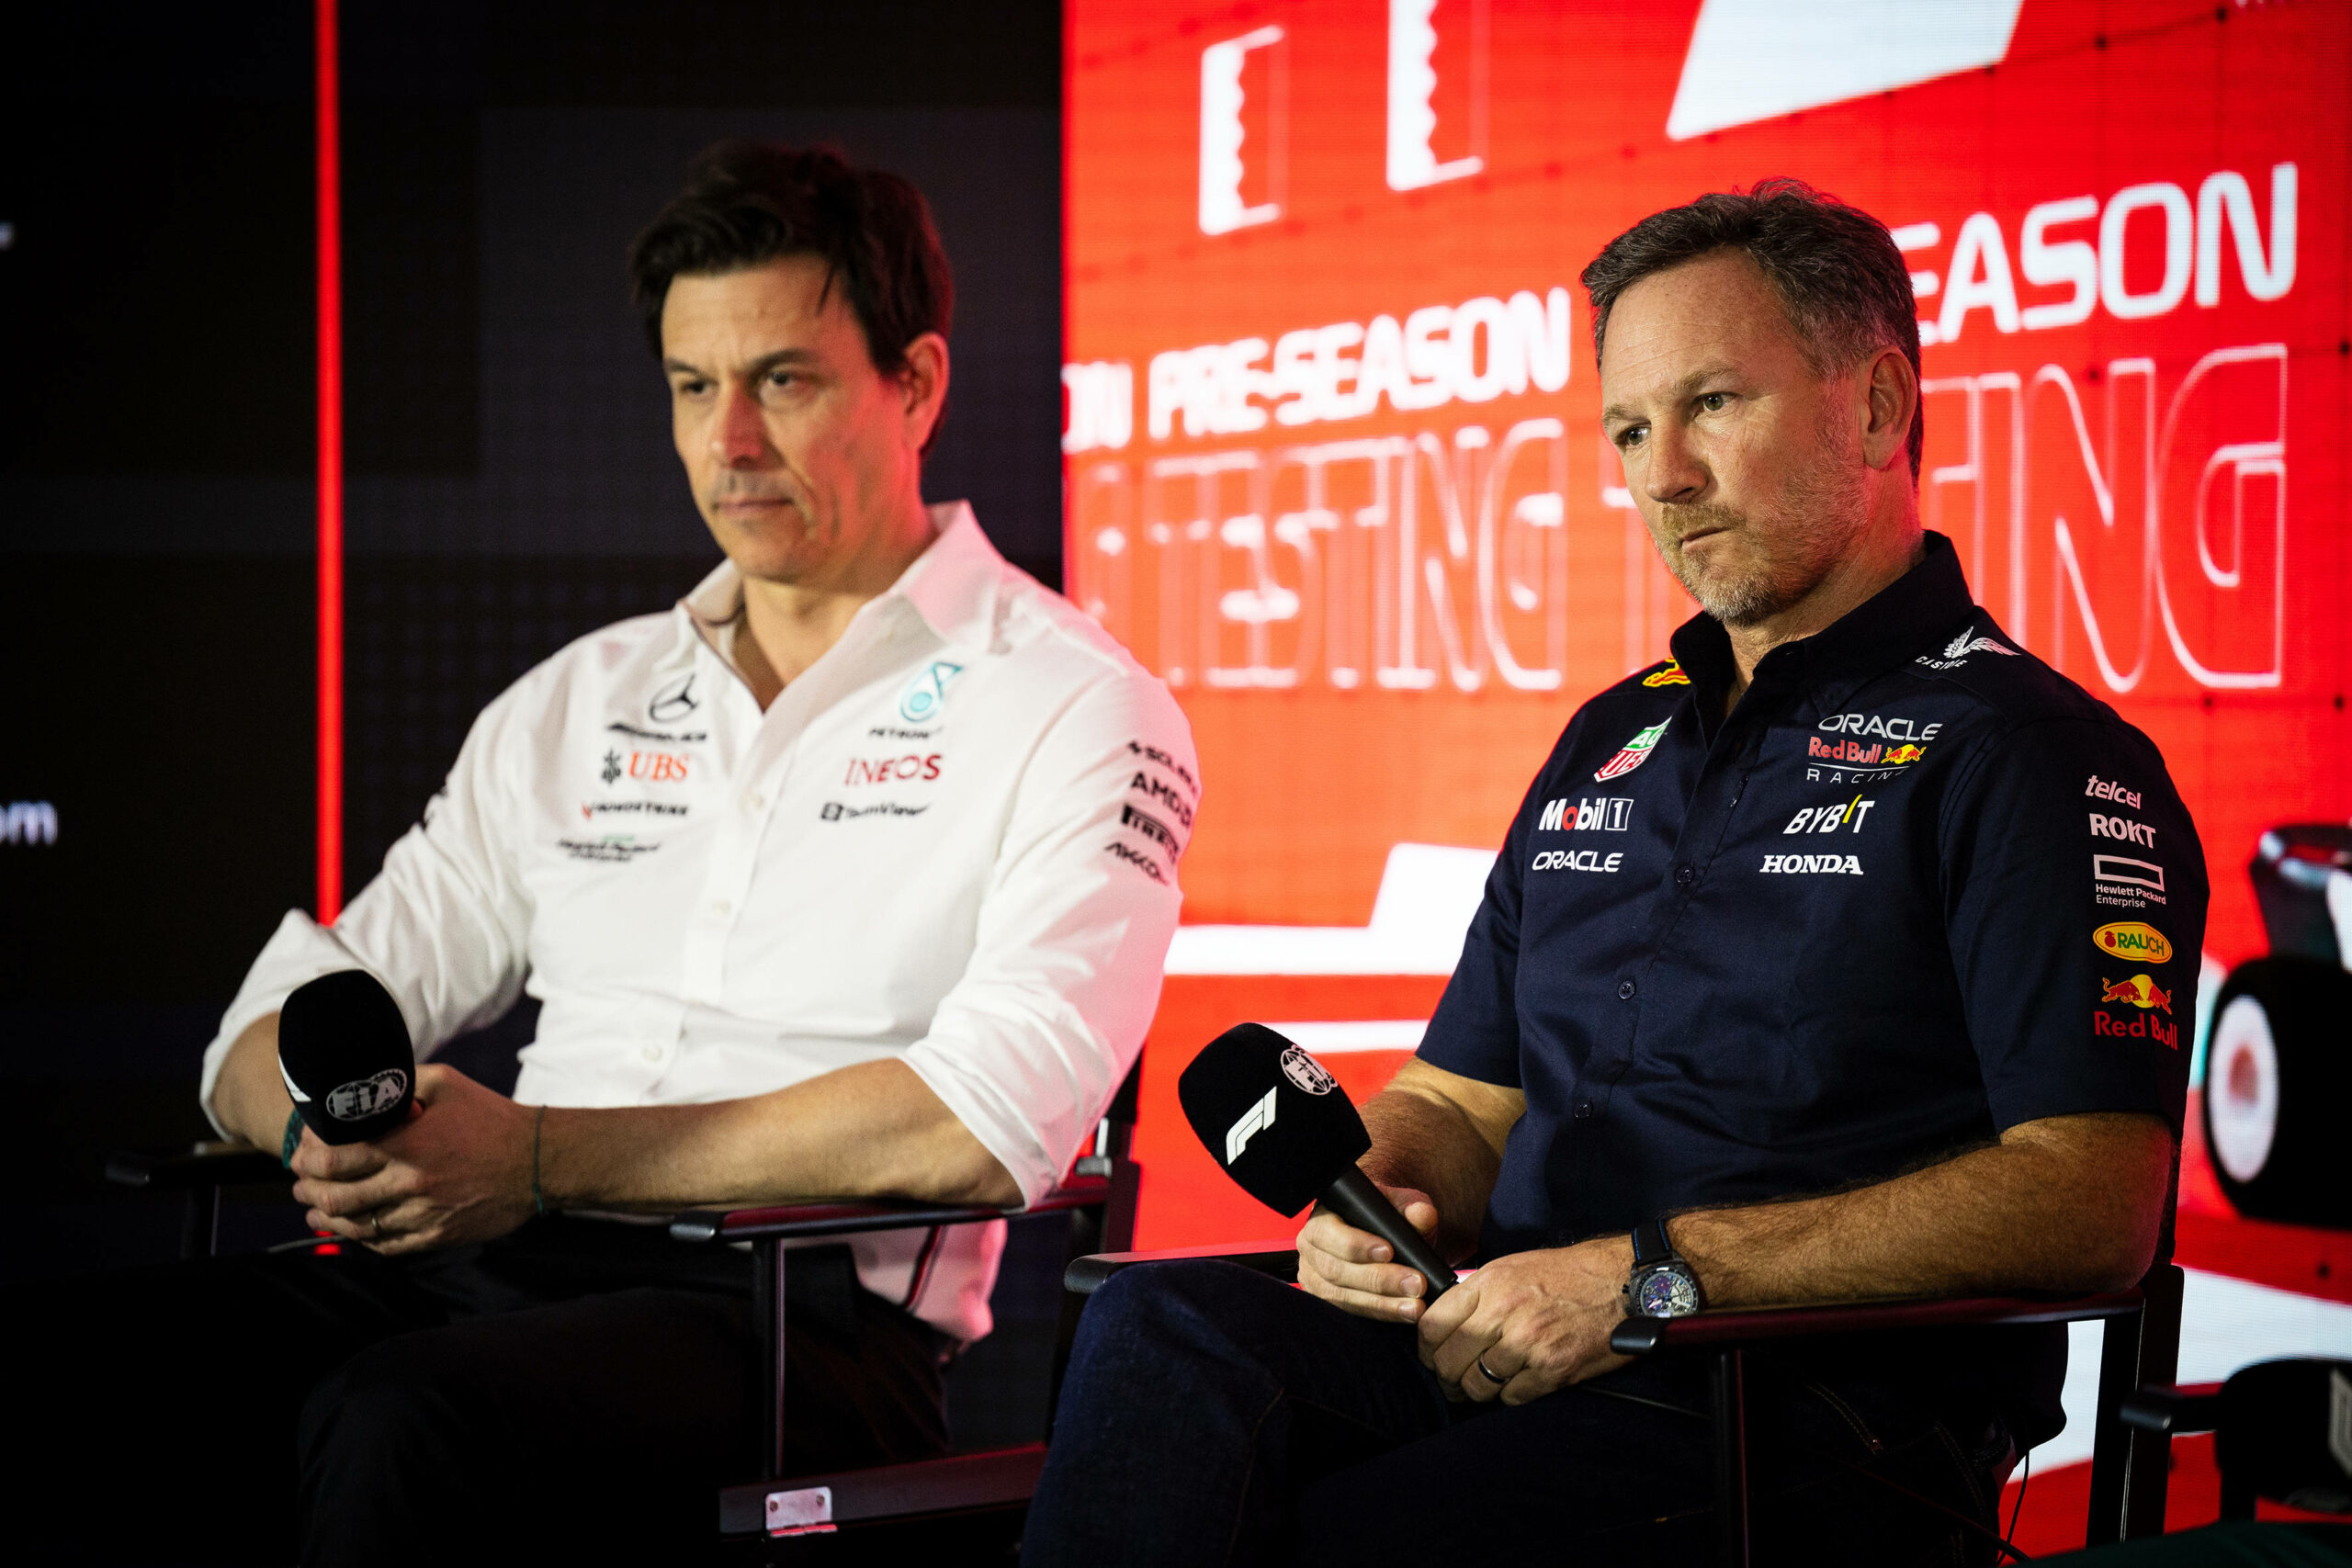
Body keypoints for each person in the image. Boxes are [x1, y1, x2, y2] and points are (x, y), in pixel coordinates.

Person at [25, 141, 1194, 1564]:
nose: (729, 443)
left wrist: (530, 1157)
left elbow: (982, 1120)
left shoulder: (1077, 701)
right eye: (693, 388)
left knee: (403, 1419)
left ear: (920, 383)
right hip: (480, 1270)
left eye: (784, 379)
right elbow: (265, 1031)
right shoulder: (581, 696)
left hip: (801, 1337)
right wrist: (327, 1141)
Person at [1023, 179, 2206, 1565]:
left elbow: (2093, 1200)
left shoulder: (2032, 754)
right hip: (1518, 1345)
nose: (1664, 476)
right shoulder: (1611, 738)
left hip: (1813, 1417)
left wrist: (1652, 1278)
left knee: (1341, 1533)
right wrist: (1391, 1194)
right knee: (1161, 1330)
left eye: (1714, 404)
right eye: (1632, 428)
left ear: (1878, 410)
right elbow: (1459, 1103)